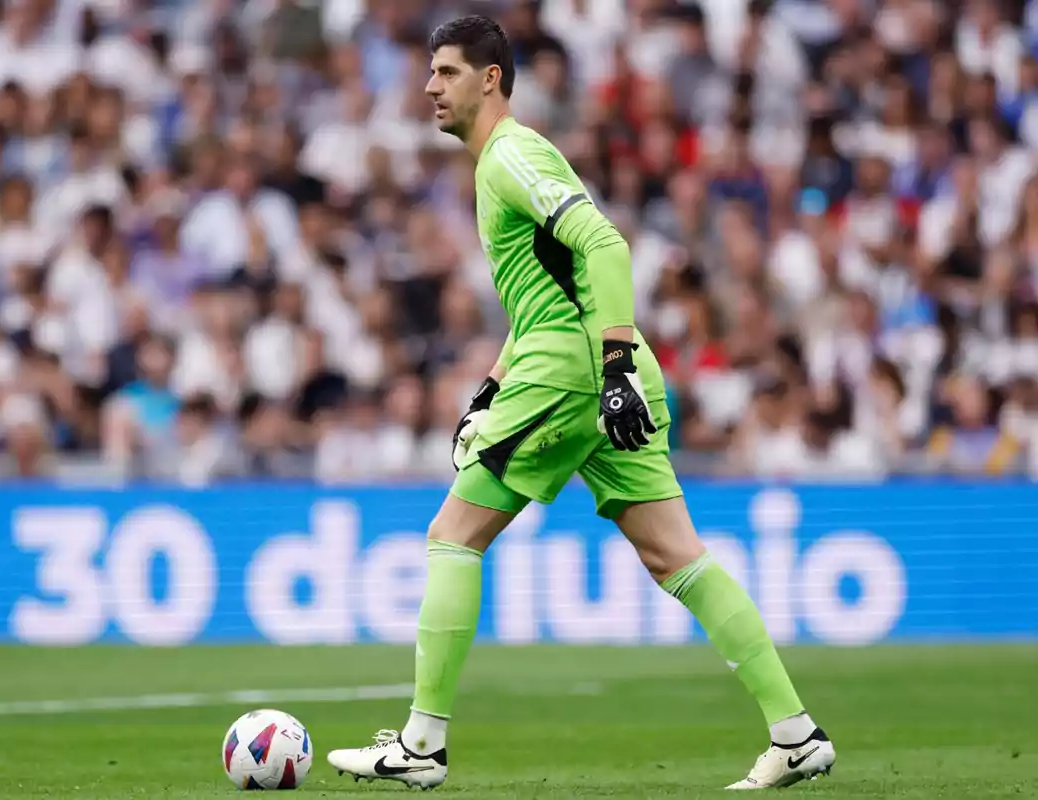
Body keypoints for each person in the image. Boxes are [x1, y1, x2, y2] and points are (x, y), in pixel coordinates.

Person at [325, 15, 835, 792]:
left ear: (490, 79)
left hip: (574, 370)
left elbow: (605, 246)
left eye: (447, 72)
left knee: (452, 536)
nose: (429, 86)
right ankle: (796, 734)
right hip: (591, 367)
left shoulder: (511, 156)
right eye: (430, 72)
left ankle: (422, 745)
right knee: (677, 557)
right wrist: (496, 386)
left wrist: (615, 361)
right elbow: (552, 288)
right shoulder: (506, 162)